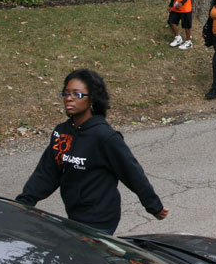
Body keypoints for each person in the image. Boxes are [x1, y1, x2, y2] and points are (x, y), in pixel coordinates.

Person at [16, 69, 169, 234]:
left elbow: (132, 172)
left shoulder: (104, 137)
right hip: (75, 213)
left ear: (92, 99)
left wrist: (153, 206)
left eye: (77, 94)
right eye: (66, 93)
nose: (69, 98)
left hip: (100, 217)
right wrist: (24, 203)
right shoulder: (62, 133)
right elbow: (47, 172)